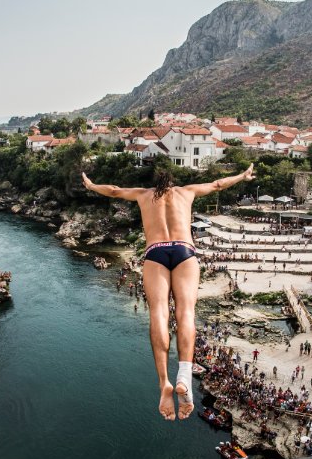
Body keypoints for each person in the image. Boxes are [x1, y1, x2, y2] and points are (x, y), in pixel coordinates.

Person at [82, 163, 255, 420]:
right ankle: (184, 375)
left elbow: (115, 191)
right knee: (186, 313)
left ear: (156, 183)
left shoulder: (143, 194)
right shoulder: (187, 192)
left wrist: (92, 185)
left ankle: (164, 381)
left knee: (159, 314)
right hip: (184, 250)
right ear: (173, 182)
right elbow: (219, 184)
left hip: (156, 252)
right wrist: (243, 176)